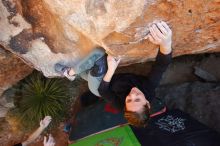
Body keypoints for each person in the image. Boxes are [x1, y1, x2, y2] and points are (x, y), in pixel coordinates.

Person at [98, 20, 172, 127]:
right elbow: (161, 66)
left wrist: (111, 70)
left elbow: (102, 90)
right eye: (137, 99)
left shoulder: (121, 106)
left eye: (129, 100)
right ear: (147, 103)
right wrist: (166, 43)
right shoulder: (149, 88)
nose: (132, 94)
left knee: (95, 60)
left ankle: (69, 72)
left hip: (107, 80)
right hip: (123, 76)